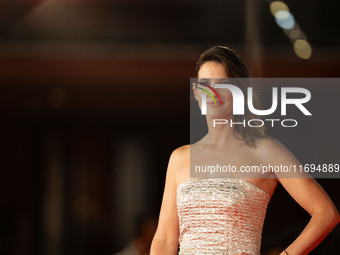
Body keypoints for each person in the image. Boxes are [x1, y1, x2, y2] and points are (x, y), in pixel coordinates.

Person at [150, 46, 340, 255]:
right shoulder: (180, 158)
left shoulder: (265, 150)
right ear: (196, 92)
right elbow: (165, 238)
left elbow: (326, 214)